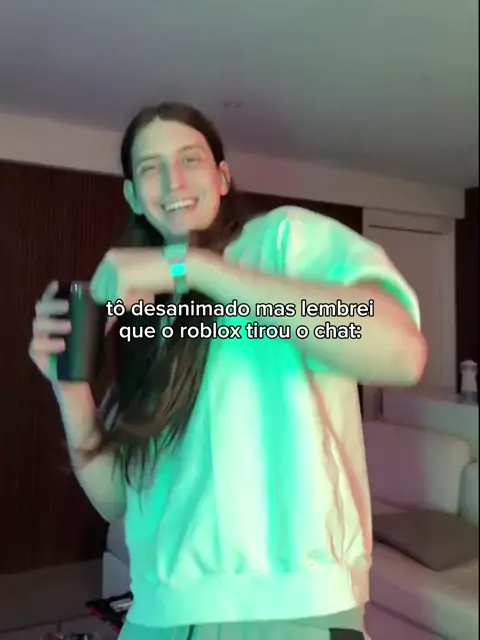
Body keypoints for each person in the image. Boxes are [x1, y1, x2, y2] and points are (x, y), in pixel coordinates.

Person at [29, 102, 427, 639]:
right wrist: (69, 387)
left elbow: (401, 352)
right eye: (150, 168)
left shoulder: (284, 241)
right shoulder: (143, 313)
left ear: (221, 177)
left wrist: (192, 266)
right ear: (134, 197)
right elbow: (115, 498)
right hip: (157, 616)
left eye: (189, 159)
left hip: (289, 611)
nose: (173, 179)